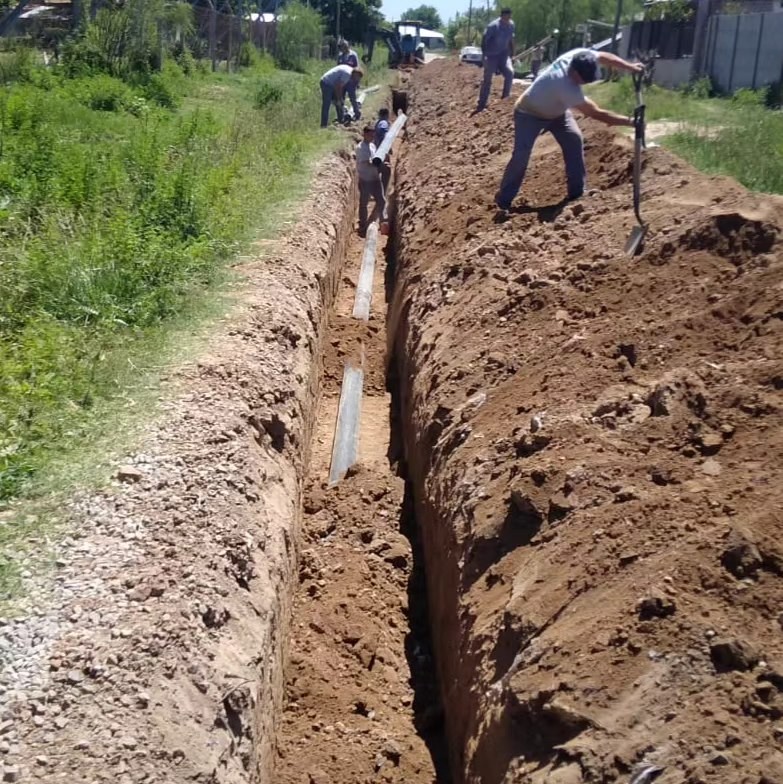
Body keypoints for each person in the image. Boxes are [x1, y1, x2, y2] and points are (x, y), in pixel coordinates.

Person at [495, 48, 643, 210]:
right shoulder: (563, 84)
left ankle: (577, 193)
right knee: (521, 155)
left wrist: (630, 67)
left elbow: (604, 56)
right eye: (582, 81)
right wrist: (630, 122)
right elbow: (596, 113)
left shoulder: (580, 56)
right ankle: (504, 200)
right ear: (574, 72)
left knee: (574, 140)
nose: (583, 84)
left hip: (558, 113)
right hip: (529, 114)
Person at [476, 8, 515, 112]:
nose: (507, 20)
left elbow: (511, 39)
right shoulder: (493, 26)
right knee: (488, 78)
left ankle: (505, 99)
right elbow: (484, 40)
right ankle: (482, 104)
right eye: (506, 18)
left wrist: (512, 54)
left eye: (509, 18)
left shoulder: (511, 25)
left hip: (504, 55)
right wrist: (484, 56)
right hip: (491, 55)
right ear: (501, 16)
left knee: (510, 73)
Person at [356, 124, 387, 237]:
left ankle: (384, 223)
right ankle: (363, 225)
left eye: (373, 135)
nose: (372, 137)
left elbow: (375, 159)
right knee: (364, 203)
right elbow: (367, 162)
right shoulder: (360, 148)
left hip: (375, 179)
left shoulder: (372, 146)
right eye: (370, 135)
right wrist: (378, 164)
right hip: (365, 180)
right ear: (364, 134)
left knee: (381, 201)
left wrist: (381, 162)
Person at [337, 40, 362, 121]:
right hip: (342, 81)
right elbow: (338, 68)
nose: (344, 48)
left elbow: (357, 68)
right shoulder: (340, 56)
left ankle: (357, 113)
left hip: (351, 81)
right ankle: (342, 115)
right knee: (341, 98)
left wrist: (357, 81)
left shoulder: (353, 55)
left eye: (345, 46)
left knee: (352, 97)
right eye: (342, 47)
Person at [374, 108, 392, 192]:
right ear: (387, 115)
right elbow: (383, 131)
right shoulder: (383, 123)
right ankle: (382, 192)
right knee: (386, 171)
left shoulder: (378, 122)